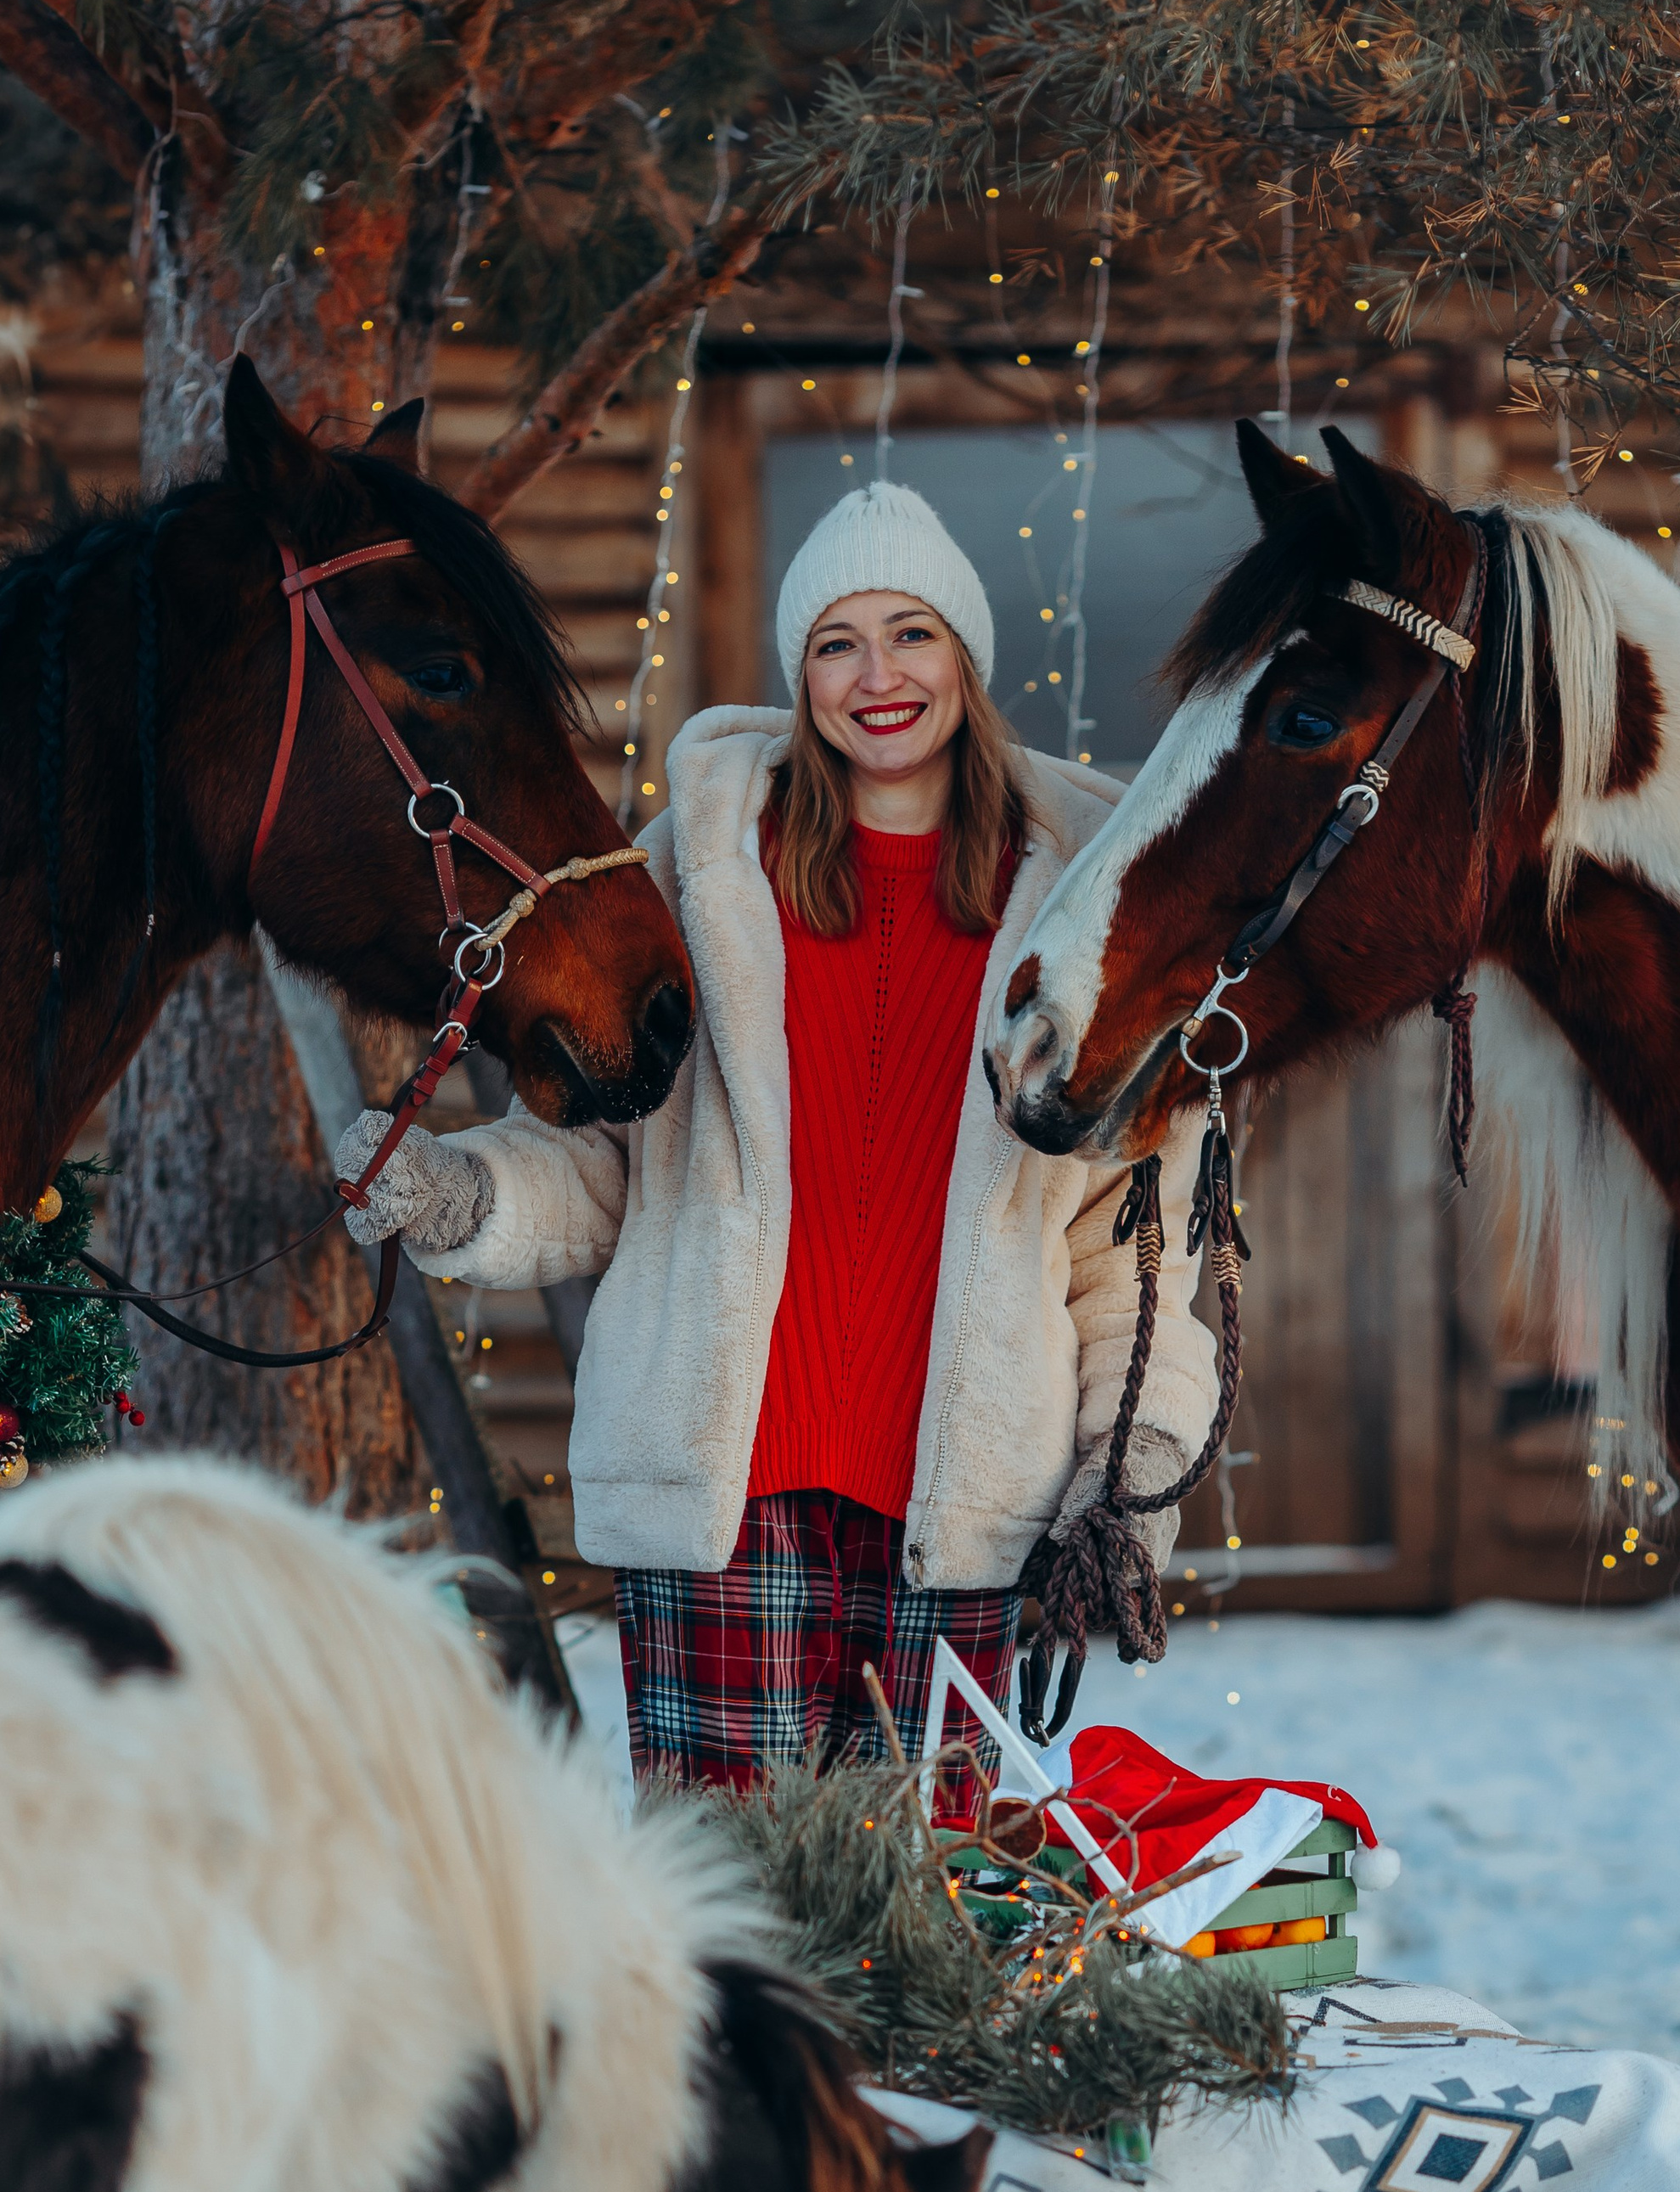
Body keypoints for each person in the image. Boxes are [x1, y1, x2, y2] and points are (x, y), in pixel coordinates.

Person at [337, 479, 1218, 1800]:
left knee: (918, 1943)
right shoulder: (698, 870)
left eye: (911, 633)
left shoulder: (1081, 905)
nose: (878, 677)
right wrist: (457, 1195)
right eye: (835, 643)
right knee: (733, 1924)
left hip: (967, 1500)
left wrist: (1131, 1466)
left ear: (965, 657)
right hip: (719, 1497)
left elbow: (1129, 1250)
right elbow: (602, 1163)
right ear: (798, 673)